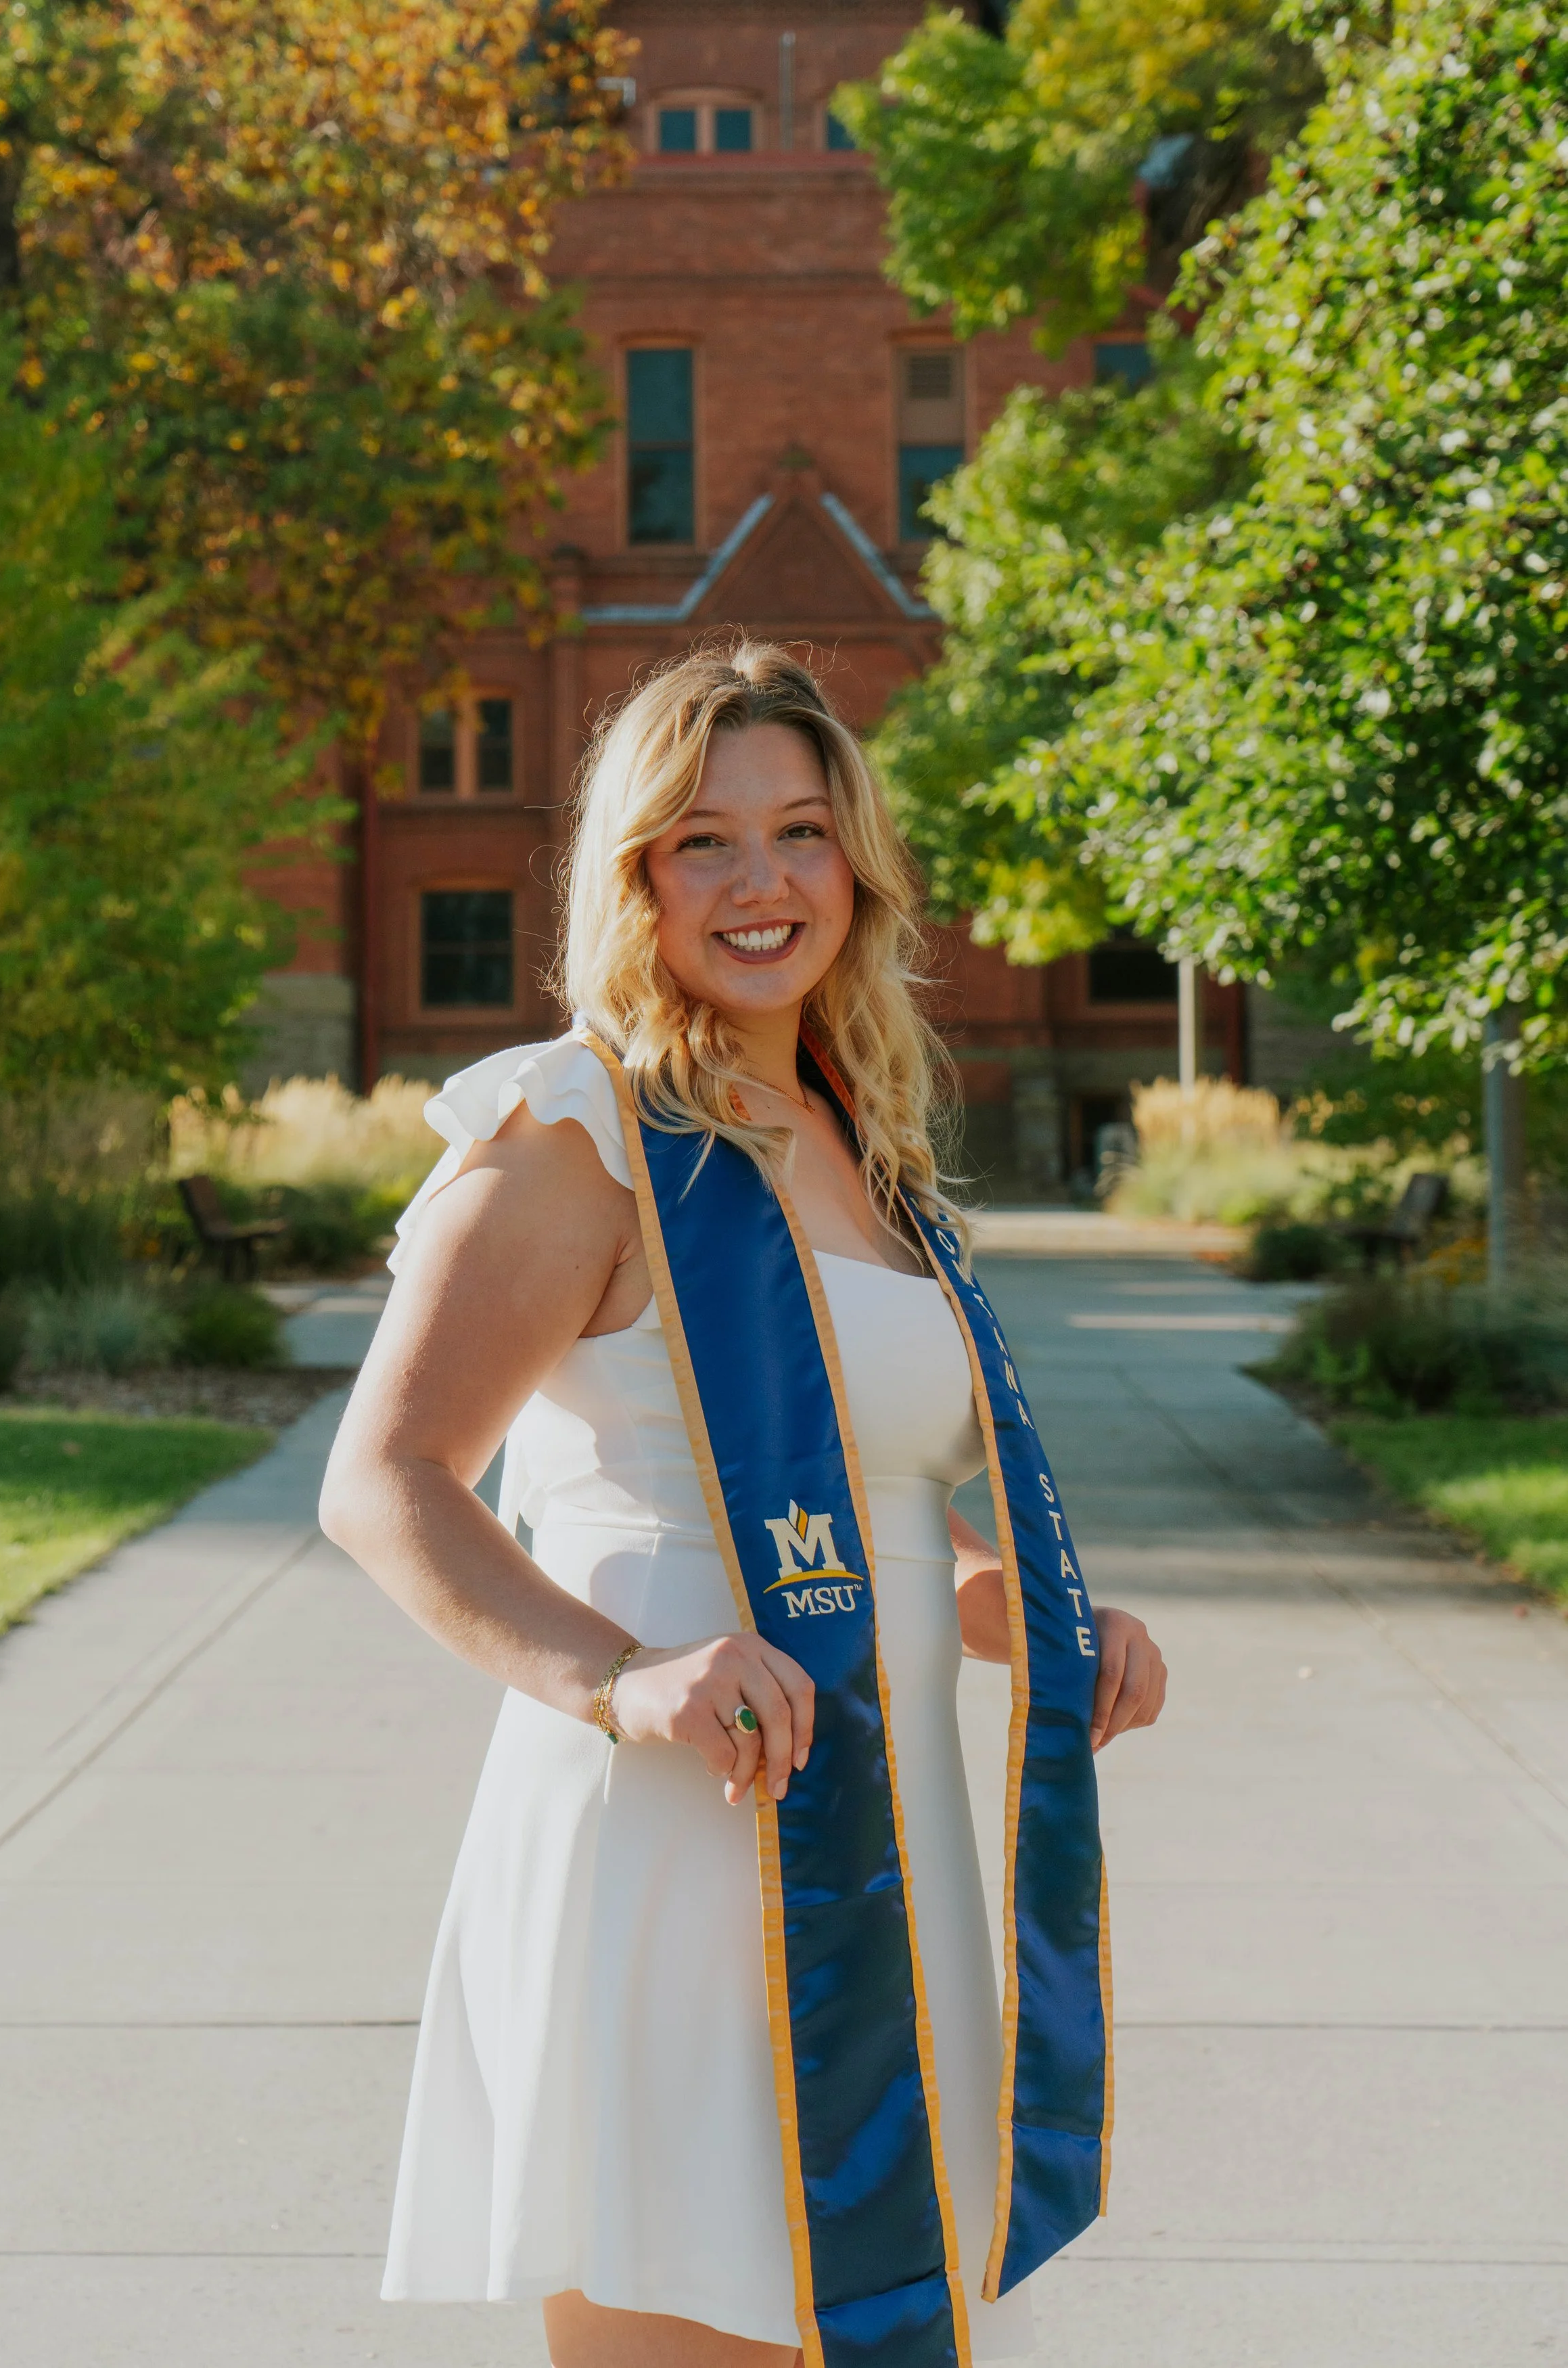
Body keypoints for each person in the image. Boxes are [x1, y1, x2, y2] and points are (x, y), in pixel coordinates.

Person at [319, 643, 1168, 2368]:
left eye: (799, 831)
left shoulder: (866, 1148)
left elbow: (877, 1509)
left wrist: (1034, 1618)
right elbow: (384, 1481)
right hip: (678, 1828)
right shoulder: (581, 1135)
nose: (761, 881)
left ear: (854, 863)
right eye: (703, 840)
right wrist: (614, 1675)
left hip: (879, 1812)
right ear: (631, 876)